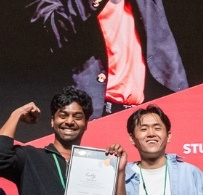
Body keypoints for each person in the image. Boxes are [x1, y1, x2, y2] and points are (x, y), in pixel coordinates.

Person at [29, 0, 187, 118]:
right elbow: (48, 31)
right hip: (96, 109)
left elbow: (162, 37)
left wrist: (180, 92)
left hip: (148, 107)